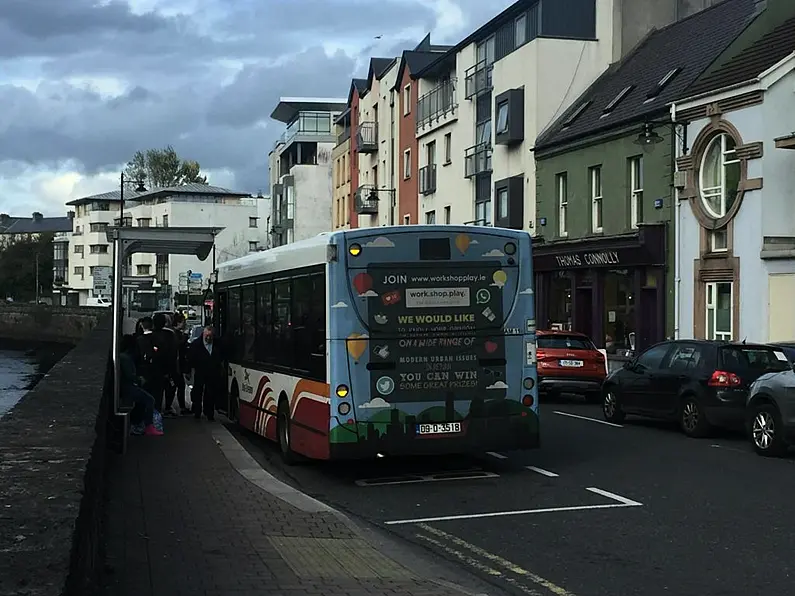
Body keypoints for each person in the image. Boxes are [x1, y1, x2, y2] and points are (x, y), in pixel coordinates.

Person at [120, 334, 162, 436]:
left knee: (142, 400)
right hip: (127, 387)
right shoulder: (126, 358)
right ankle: (148, 426)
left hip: (123, 387)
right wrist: (140, 380)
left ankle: (137, 424)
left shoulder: (121, 356)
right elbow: (131, 376)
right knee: (149, 400)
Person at [189, 325, 224, 421]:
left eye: (210, 336)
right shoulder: (196, 345)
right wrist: (190, 370)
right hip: (200, 371)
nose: (208, 338)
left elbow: (221, 356)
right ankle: (197, 411)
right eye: (206, 336)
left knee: (211, 393)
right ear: (203, 334)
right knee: (197, 392)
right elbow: (191, 359)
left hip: (213, 372)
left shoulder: (218, 344)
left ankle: (209, 413)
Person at [152, 312, 179, 416]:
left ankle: (157, 410)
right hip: (169, 368)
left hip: (154, 369)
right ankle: (167, 407)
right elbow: (174, 352)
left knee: (157, 391)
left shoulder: (151, 335)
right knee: (170, 388)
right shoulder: (170, 335)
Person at [165, 312, 191, 415]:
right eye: (184, 322)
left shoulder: (176, 333)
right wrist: (185, 336)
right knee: (175, 386)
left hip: (177, 365)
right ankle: (171, 407)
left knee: (179, 386)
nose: (185, 324)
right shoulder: (174, 334)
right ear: (179, 323)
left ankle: (180, 407)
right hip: (174, 366)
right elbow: (178, 345)